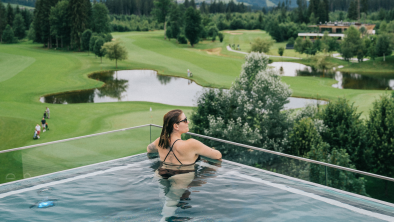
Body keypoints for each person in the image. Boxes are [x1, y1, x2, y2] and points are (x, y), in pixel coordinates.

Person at [147, 109, 221, 221]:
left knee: (166, 200)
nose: (188, 122)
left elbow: (149, 149)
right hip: (181, 177)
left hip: (161, 173)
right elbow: (217, 156)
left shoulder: (160, 141)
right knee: (170, 206)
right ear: (176, 126)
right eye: (185, 120)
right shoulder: (191, 144)